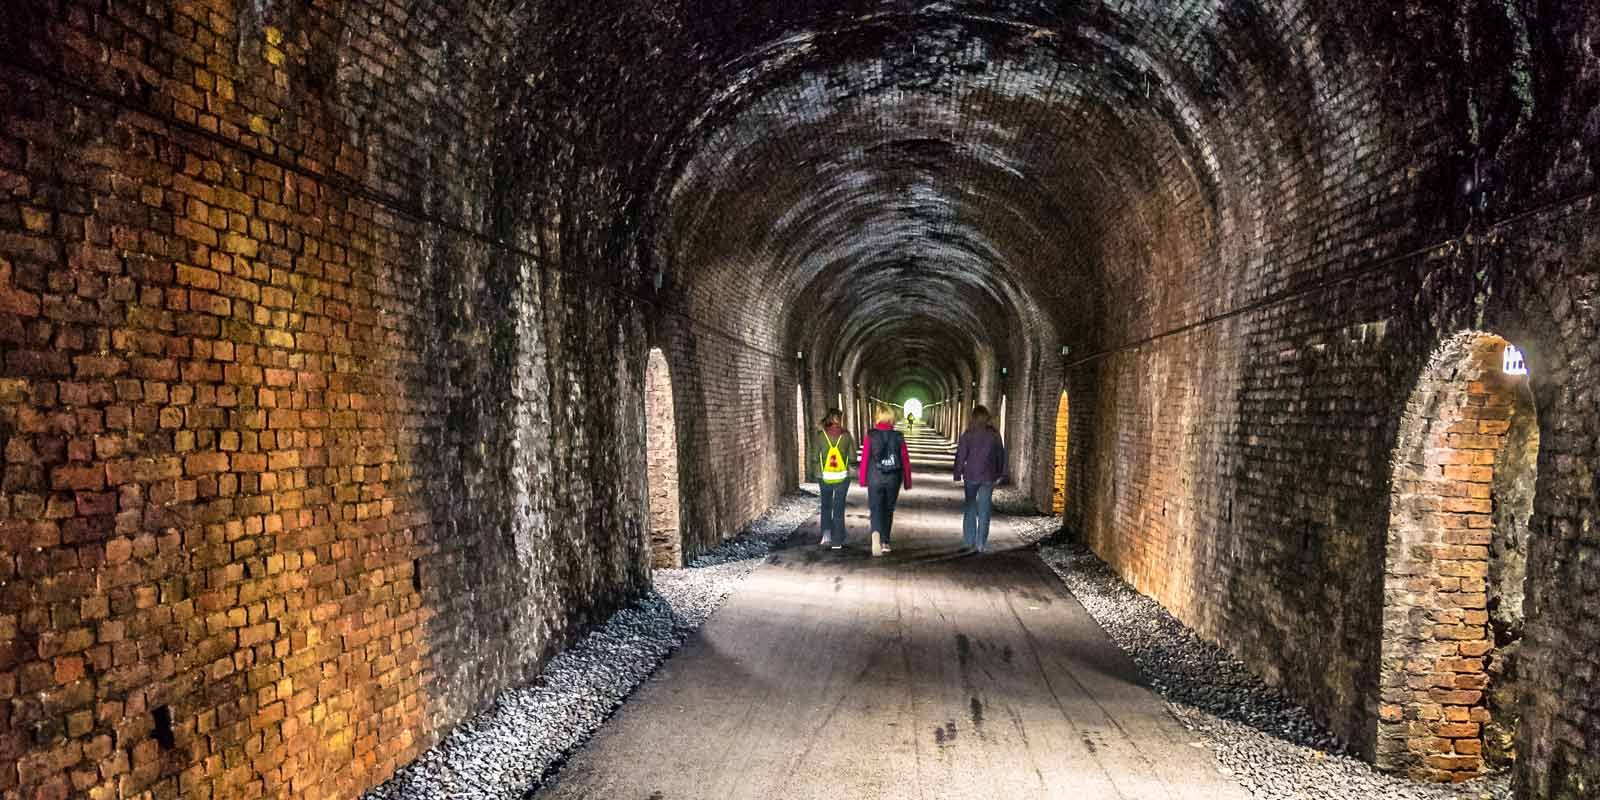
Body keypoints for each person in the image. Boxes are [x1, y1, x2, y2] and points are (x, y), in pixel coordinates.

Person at [859, 404, 912, 556]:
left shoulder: (871, 435)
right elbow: (905, 460)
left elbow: (865, 460)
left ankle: (875, 533)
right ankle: (885, 542)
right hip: (893, 478)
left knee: (875, 508)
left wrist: (863, 479)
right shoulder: (898, 436)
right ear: (891, 418)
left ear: (878, 417)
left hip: (875, 477)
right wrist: (907, 481)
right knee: (888, 510)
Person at [953, 405, 1006, 553]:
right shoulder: (995, 435)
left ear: (974, 417)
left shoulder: (968, 434)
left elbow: (961, 455)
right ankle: (981, 544)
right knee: (984, 510)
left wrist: (957, 473)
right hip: (988, 477)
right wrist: (999, 473)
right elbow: (1000, 455)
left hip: (971, 475)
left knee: (970, 507)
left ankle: (969, 541)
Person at [814, 409, 856, 550]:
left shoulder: (820, 436)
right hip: (842, 477)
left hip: (824, 476)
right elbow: (852, 458)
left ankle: (826, 536)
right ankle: (837, 541)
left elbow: (814, 457)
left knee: (826, 505)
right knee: (838, 507)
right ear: (840, 419)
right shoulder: (846, 435)